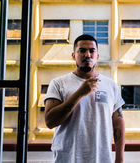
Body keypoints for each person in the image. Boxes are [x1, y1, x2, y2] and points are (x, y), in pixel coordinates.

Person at [44, 34, 125, 163]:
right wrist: (80, 93)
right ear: (73, 56)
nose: (87, 55)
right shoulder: (58, 83)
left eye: (92, 51)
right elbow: (50, 121)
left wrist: (119, 159)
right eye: (82, 51)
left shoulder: (111, 85)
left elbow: (118, 122)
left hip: (101, 158)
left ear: (97, 56)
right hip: (67, 158)